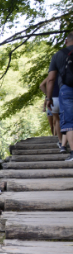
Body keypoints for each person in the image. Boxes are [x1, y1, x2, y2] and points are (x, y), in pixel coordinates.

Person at [46, 32, 73, 161]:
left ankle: (72, 153)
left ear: (66, 41)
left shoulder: (58, 55)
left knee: (69, 121)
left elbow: (50, 79)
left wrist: (48, 98)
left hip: (66, 90)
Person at [40, 76, 64, 151]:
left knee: (57, 120)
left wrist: (48, 95)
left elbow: (41, 85)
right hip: (64, 97)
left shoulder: (51, 76)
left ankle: (60, 141)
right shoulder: (65, 73)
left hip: (54, 99)